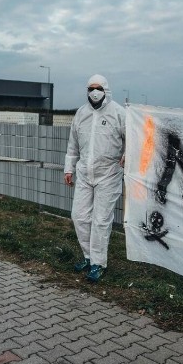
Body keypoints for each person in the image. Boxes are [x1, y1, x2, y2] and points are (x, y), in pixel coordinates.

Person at [64, 74, 126, 283]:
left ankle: (98, 263)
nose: (94, 92)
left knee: (101, 221)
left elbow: (132, 139)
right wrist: (68, 168)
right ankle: (88, 256)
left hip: (108, 174)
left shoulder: (118, 113)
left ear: (106, 90)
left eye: (98, 87)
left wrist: (128, 155)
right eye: (91, 88)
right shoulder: (81, 114)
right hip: (84, 173)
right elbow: (73, 144)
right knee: (79, 216)